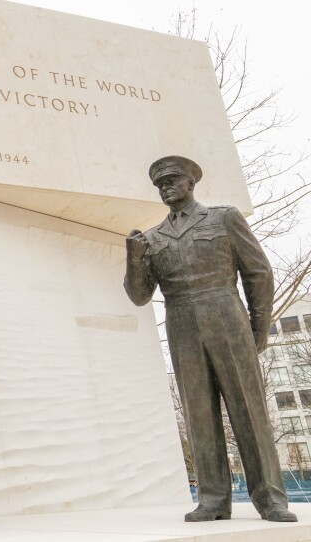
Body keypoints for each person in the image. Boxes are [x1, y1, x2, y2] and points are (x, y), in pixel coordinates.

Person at [124, 155, 296, 523]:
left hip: (226, 314)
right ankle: (213, 500)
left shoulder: (224, 218)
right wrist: (134, 259)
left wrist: (259, 328)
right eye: (160, 184)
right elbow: (139, 296)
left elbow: (258, 273)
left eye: (172, 181)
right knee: (198, 413)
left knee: (248, 407)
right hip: (181, 322)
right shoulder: (152, 238)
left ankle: (270, 498)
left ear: (190, 183)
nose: (165, 188)